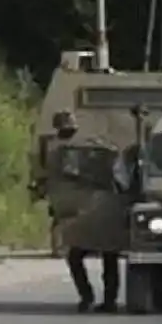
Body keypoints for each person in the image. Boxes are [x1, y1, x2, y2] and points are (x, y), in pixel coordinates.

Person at [48, 110, 123, 313]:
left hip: (91, 208)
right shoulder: (92, 146)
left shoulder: (64, 149)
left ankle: (93, 298)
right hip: (97, 207)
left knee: (85, 256)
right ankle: (104, 299)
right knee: (106, 256)